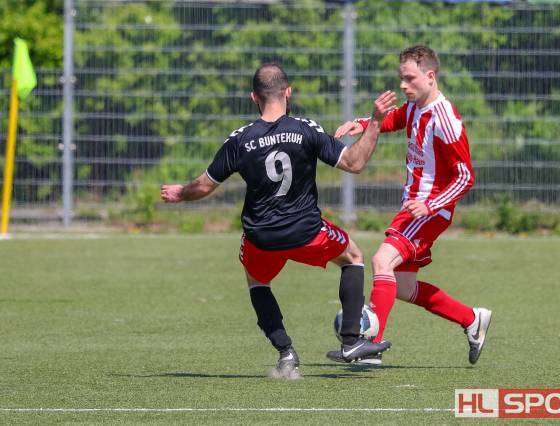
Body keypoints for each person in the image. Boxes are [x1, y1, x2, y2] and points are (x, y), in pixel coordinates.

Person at [161, 63, 396, 378]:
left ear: (253, 97)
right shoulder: (306, 129)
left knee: (257, 281)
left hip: (261, 237)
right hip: (306, 232)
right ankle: (351, 341)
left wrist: (179, 192)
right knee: (353, 256)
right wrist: (376, 121)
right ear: (288, 92)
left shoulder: (240, 140)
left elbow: (203, 186)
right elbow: (355, 163)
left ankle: (286, 352)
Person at [328, 46, 492, 366]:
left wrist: (431, 205)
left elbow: (465, 177)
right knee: (403, 287)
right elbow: (396, 118)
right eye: (401, 78)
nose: (403, 85)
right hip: (416, 207)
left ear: (430, 76)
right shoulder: (416, 106)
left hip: (429, 211)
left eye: (409, 78)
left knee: (381, 260)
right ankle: (472, 319)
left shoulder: (446, 119)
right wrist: (364, 123)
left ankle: (370, 347)